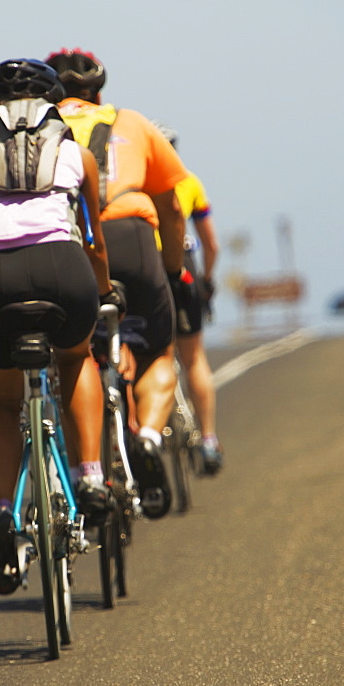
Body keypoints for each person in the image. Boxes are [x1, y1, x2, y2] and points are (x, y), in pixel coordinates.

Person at [0, 58, 121, 594]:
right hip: (63, 268)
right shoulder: (76, 155)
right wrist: (102, 293)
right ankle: (92, 476)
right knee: (77, 357)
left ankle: (4, 512)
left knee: (2, 405)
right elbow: (94, 239)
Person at [44, 49, 190, 517]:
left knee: (76, 355)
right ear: (98, 93)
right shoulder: (132, 122)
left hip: (69, 243)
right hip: (132, 238)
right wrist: (170, 273)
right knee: (156, 353)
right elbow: (171, 208)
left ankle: (85, 467)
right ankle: (147, 436)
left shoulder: (39, 129)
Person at [151, 123, 223, 474]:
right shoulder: (190, 181)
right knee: (194, 357)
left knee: (152, 356)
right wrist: (208, 281)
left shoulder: (133, 183)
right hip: (185, 271)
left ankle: (146, 434)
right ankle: (208, 439)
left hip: (146, 272)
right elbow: (211, 244)